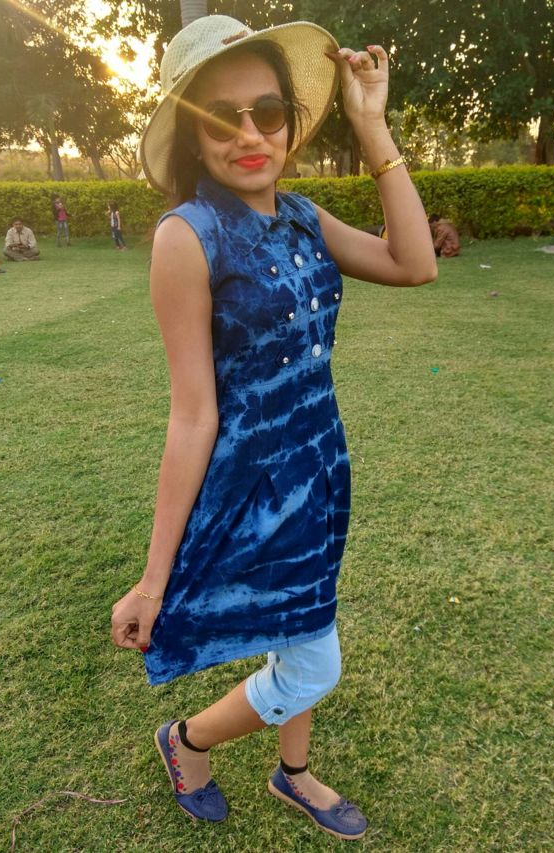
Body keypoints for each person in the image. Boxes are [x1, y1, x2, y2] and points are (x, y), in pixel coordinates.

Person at [110, 15, 436, 841]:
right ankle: (186, 739)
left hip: (322, 470)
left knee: (300, 627)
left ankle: (294, 773)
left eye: (267, 111)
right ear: (193, 133)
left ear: (290, 120)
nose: (249, 134)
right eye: (223, 118)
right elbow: (193, 412)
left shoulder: (303, 216)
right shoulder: (188, 237)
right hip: (254, 489)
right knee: (314, 658)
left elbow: (415, 262)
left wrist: (372, 126)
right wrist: (152, 579)